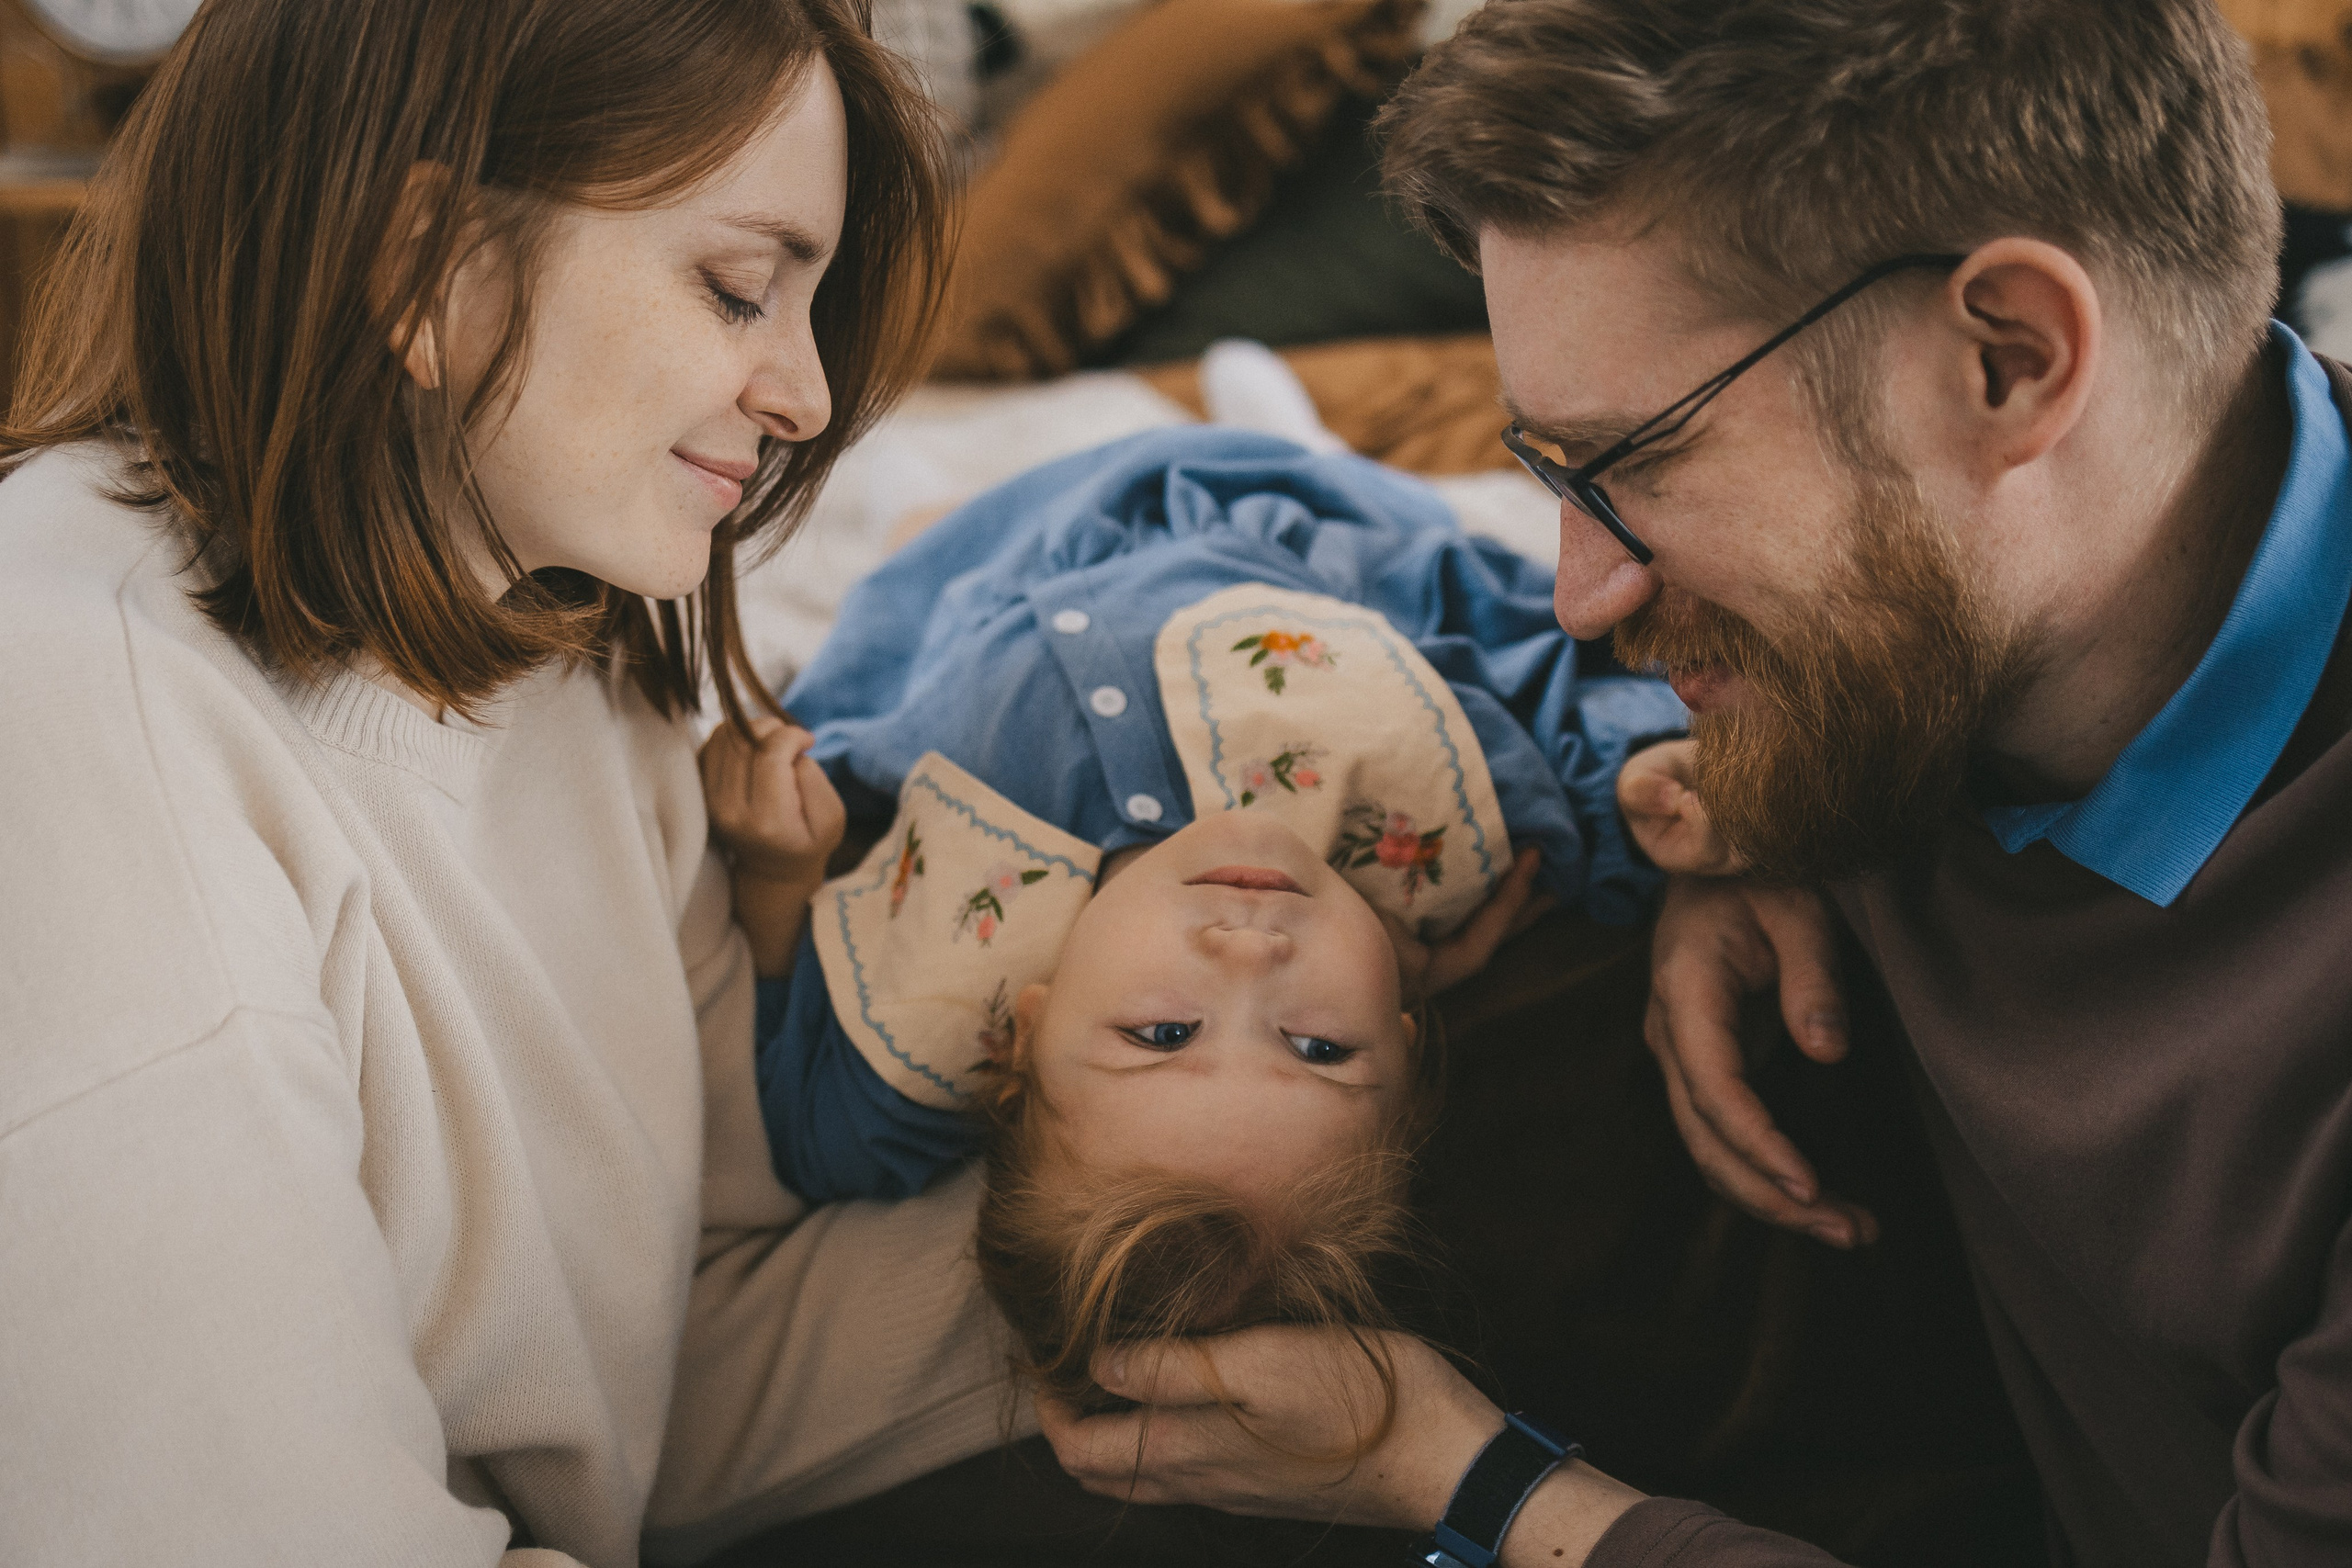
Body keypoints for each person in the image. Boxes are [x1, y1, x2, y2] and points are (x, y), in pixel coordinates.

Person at [1030, 2, 2352, 1565]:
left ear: (2012, 360)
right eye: (1551, 478)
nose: (1581, 589)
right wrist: (1755, 814)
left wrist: (1461, 1477)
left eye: (1637, 463)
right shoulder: (1959, 629)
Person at [0, 2, 1021, 1562]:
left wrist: (1141, 1242)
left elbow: (663, 1352)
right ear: (428, 266)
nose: (808, 397)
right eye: (739, 287)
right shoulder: (78, 727)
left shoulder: (564, 669)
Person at [692, 425, 1707, 1410]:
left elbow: (804, 1117)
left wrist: (778, 875)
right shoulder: (1438, 831)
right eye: (1318, 1043)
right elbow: (1558, 706)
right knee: (1429, 559)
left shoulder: (930, 1027)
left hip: (969, 583)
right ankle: (1269, 415)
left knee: (913, 540)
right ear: (1405, 1040)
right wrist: (1643, 775)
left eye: (1165, 1034)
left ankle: (919, 498)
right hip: (1250, 512)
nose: (1254, 954)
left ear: (1023, 1043)